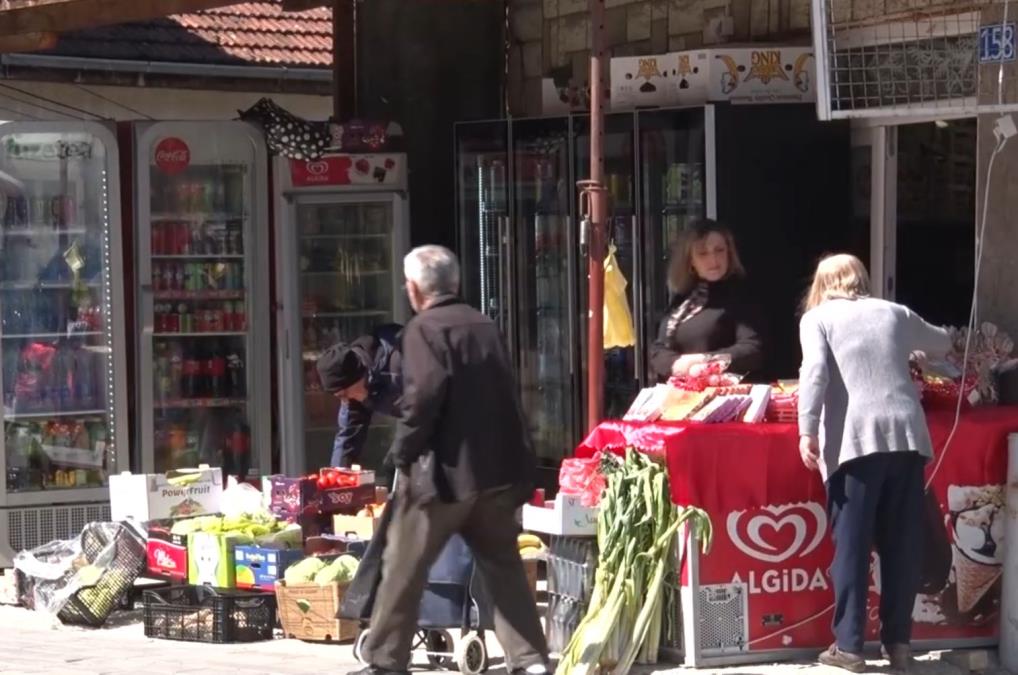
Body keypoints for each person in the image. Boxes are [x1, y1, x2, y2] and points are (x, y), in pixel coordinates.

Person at [353, 245, 549, 675]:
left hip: (441, 475)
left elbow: (423, 397)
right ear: (454, 283)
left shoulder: (423, 329)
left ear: (413, 288)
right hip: (495, 470)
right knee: (503, 567)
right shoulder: (484, 325)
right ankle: (531, 661)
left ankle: (386, 660)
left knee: (404, 564)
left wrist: (401, 452)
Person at [797, 254, 951, 673]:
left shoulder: (818, 318)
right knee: (902, 543)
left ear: (822, 283)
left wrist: (806, 428)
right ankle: (899, 644)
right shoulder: (893, 312)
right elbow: (943, 341)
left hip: (854, 443)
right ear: (862, 279)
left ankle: (848, 646)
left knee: (852, 545)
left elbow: (814, 373)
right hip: (907, 438)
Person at [648, 219, 763, 382]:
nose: (713, 260)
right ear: (690, 261)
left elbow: (753, 349)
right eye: (703, 253)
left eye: (719, 250)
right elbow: (658, 350)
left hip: (726, 394)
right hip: (682, 393)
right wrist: (676, 365)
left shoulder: (741, 294)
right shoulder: (684, 298)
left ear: (729, 253)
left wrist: (704, 361)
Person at [315, 323, 402, 468]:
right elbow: (347, 438)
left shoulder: (398, 359)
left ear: (357, 377)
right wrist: (338, 479)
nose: (345, 400)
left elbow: (416, 406)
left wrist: (370, 399)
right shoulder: (354, 391)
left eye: (344, 393)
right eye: (339, 397)